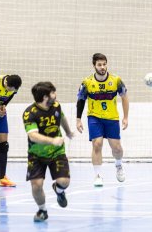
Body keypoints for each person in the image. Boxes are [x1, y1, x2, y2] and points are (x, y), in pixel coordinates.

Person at [23, 82, 74, 222]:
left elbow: (61, 117)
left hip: (57, 152)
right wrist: (52, 141)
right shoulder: (30, 113)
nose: (55, 94)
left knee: (64, 181)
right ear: (45, 97)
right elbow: (32, 135)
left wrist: (68, 132)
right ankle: (42, 210)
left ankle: (59, 190)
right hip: (36, 154)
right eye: (53, 92)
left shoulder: (56, 106)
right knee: (37, 185)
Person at [76, 53, 129, 186]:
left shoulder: (116, 80)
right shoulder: (87, 82)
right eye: (99, 65)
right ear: (94, 66)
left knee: (116, 148)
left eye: (104, 64)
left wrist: (126, 117)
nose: (102, 67)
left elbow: (124, 97)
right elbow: (81, 100)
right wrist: (78, 119)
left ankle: (118, 165)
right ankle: (98, 175)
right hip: (94, 117)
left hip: (112, 118)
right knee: (97, 143)